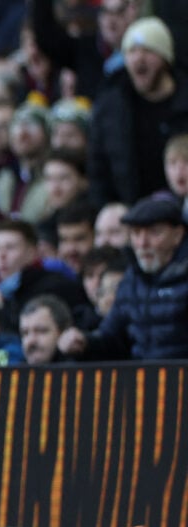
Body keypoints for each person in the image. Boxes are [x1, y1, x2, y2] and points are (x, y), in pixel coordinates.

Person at [58, 192, 188, 360]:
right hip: (144, 381)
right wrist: (85, 342)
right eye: (136, 234)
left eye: (155, 233)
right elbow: (110, 336)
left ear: (177, 235)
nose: (142, 243)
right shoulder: (131, 280)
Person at [89, 16, 188, 207]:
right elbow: (98, 170)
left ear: (166, 58)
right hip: (131, 215)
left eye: (148, 50)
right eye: (132, 51)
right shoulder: (111, 106)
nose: (139, 58)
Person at [19, 294, 74, 364]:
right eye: (25, 333)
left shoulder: (78, 371)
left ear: (63, 332)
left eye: (41, 331)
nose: (31, 340)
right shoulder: (14, 373)